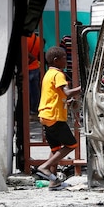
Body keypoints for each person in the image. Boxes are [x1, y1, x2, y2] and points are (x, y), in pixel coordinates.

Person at [35, 46, 82, 189]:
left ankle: (53, 181)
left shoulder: (48, 74)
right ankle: (44, 167)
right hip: (54, 116)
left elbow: (57, 95)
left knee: (55, 149)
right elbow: (66, 92)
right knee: (71, 145)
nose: (65, 61)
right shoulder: (58, 74)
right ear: (56, 60)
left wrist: (67, 102)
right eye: (63, 58)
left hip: (45, 115)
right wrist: (83, 87)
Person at [25, 31, 42, 116]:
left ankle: (26, 109)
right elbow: (39, 55)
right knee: (35, 90)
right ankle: (34, 109)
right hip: (35, 67)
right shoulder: (38, 39)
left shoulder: (24, 39)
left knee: (25, 91)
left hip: (26, 67)